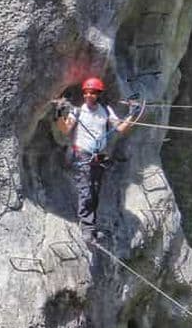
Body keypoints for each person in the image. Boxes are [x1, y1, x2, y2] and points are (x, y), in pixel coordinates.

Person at [56, 77, 134, 244]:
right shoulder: (77, 112)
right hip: (83, 155)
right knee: (86, 191)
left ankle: (91, 227)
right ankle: (87, 229)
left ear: (98, 94)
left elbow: (121, 128)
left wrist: (133, 114)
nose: (88, 95)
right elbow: (65, 129)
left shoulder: (106, 111)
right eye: (86, 92)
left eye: (92, 92)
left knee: (95, 191)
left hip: (99, 156)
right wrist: (59, 114)